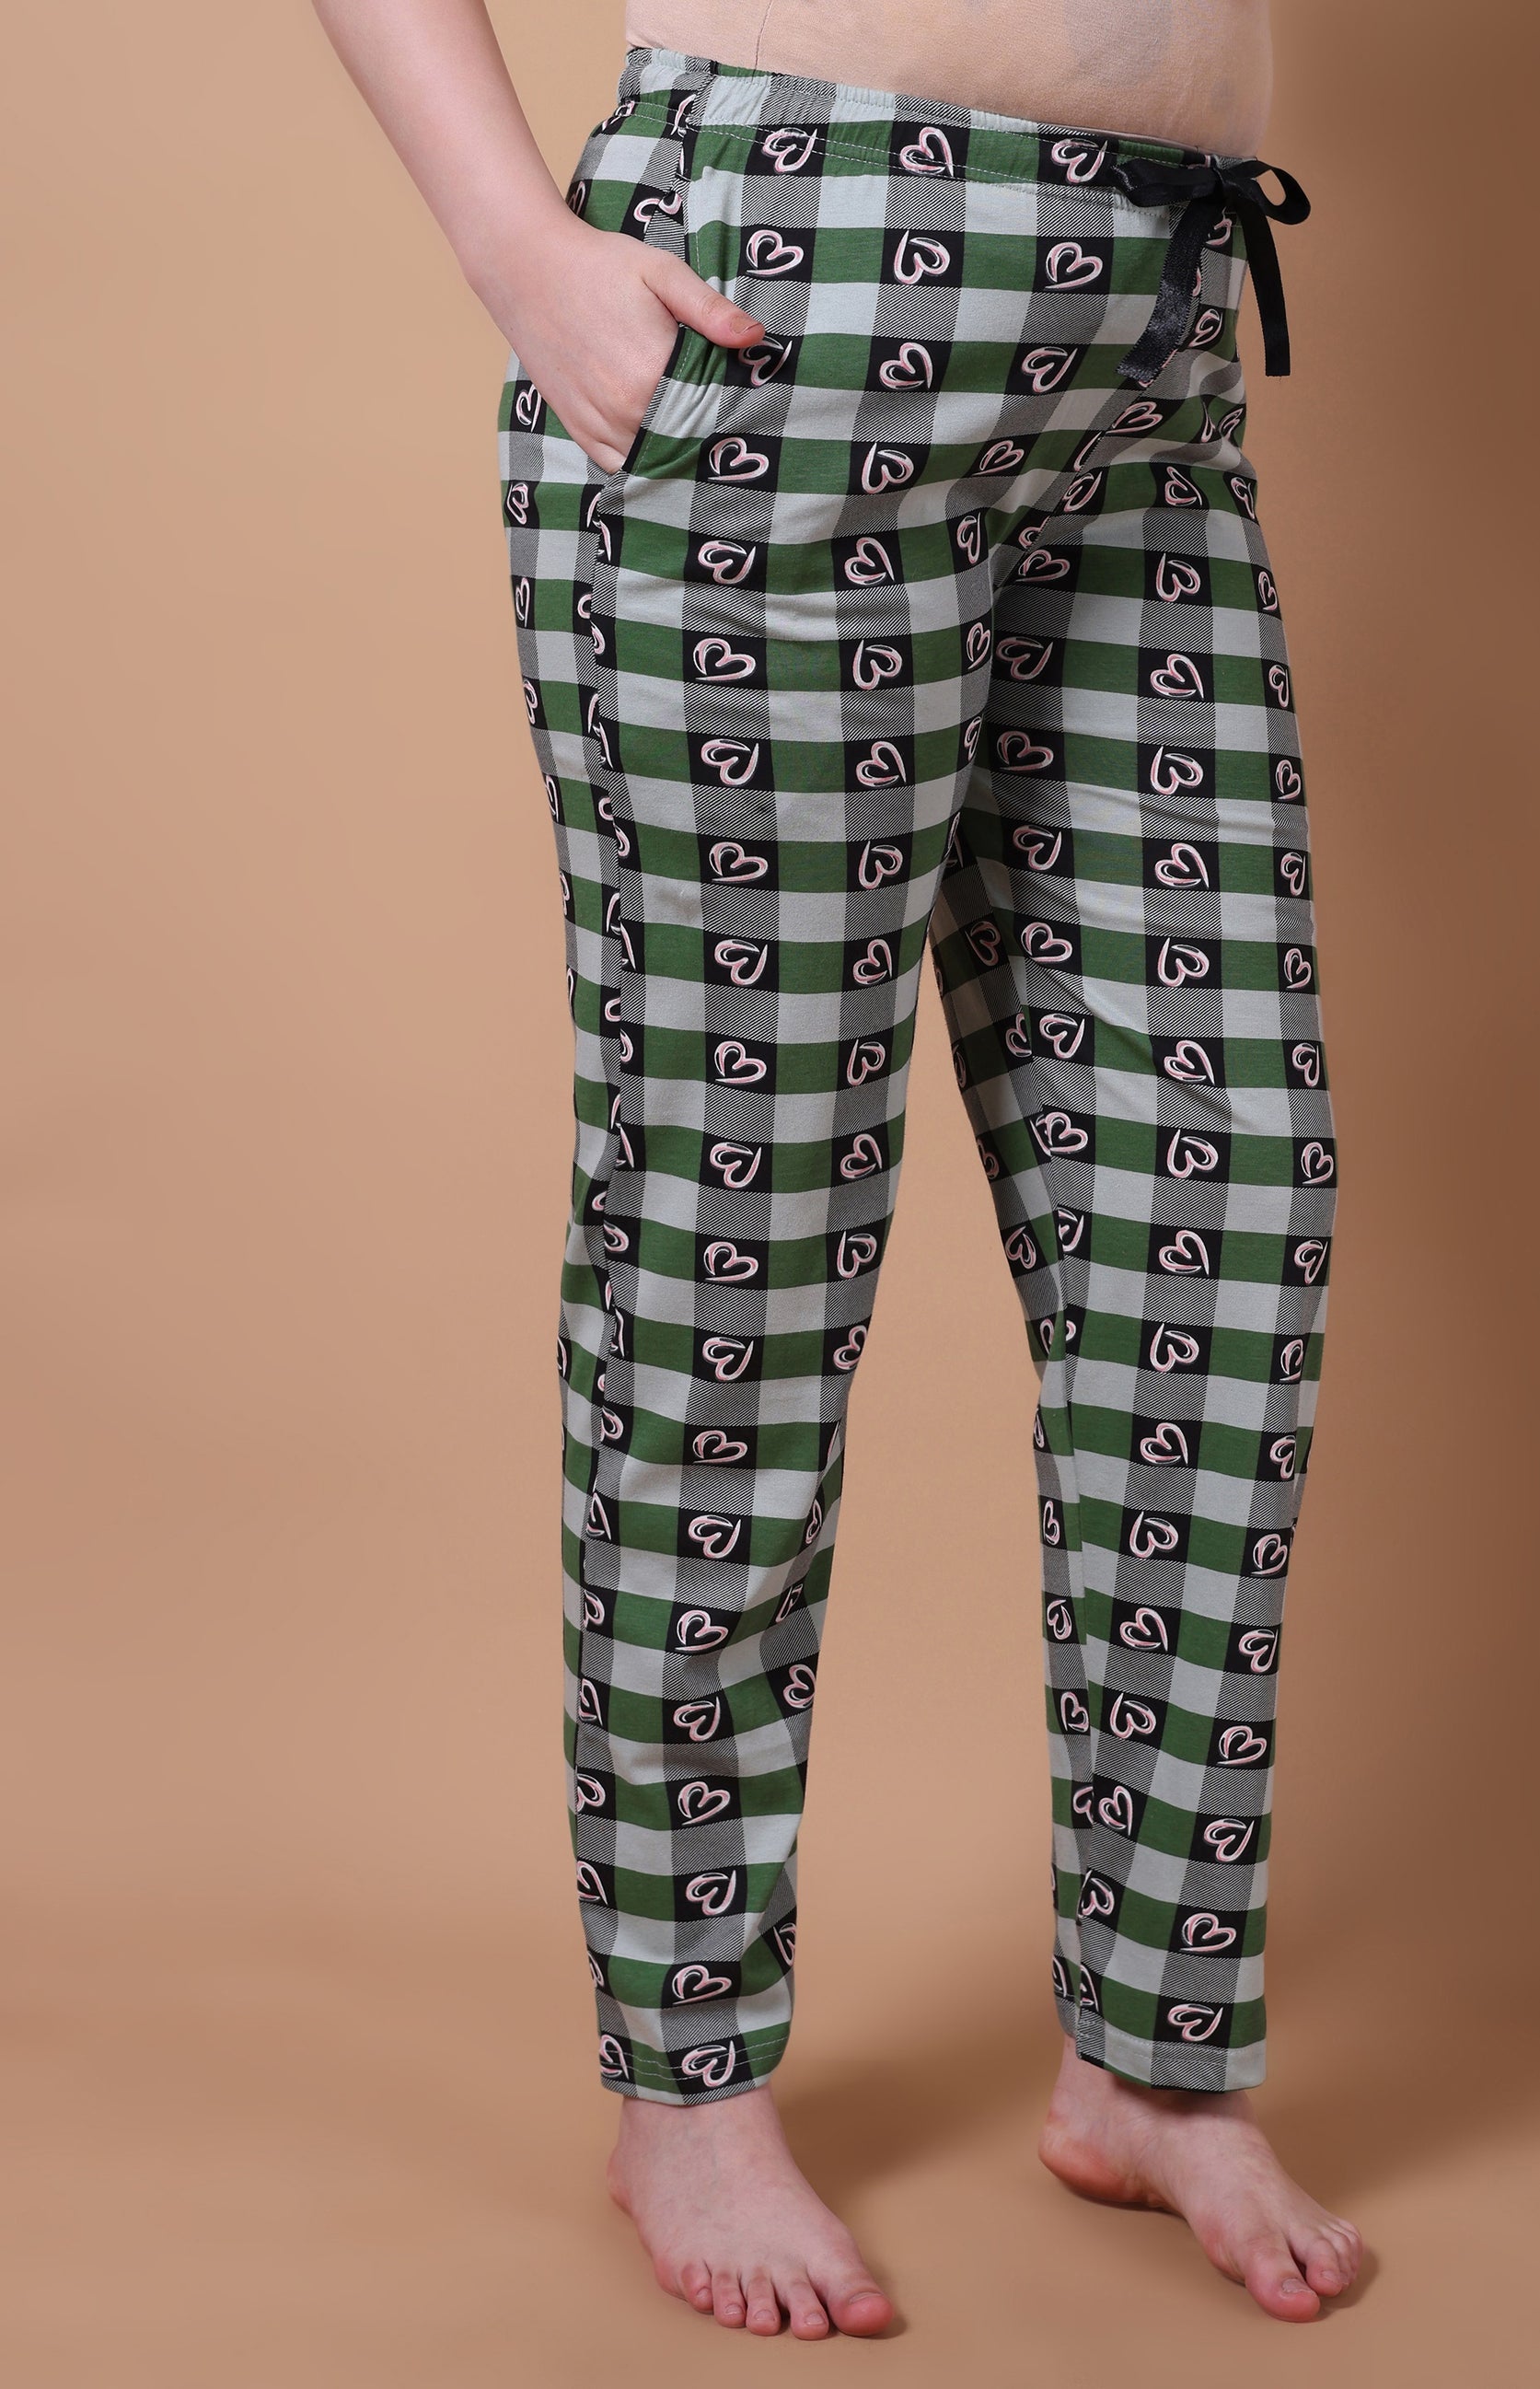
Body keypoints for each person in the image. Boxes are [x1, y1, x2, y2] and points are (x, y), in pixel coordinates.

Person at [312, 0, 1364, 2337]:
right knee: (743, 1249)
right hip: (793, 299)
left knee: (1221, 1229)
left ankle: (1155, 2051)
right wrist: (515, 243)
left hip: (1148, 341)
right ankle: (684, 2079)